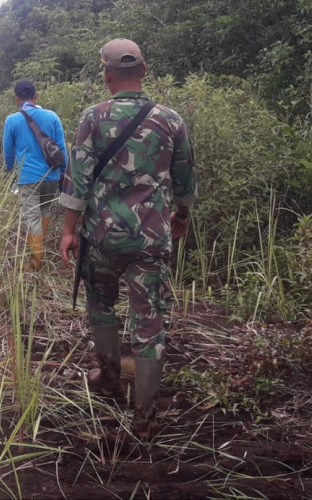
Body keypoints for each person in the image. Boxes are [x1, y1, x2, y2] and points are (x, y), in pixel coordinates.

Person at [59, 39, 197, 439]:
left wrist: (69, 230)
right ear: (145, 70)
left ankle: (108, 378)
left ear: (106, 74)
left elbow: (78, 180)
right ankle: (146, 417)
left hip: (101, 238)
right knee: (149, 321)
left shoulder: (93, 117)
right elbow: (186, 181)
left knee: (100, 305)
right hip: (152, 239)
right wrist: (181, 215)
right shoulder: (171, 120)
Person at [3, 80, 69, 271]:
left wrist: (8, 172)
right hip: (51, 176)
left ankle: (36, 262)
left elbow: (8, 151)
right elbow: (61, 148)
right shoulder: (52, 117)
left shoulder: (12, 120)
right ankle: (39, 253)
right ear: (36, 96)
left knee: (31, 217)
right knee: (45, 211)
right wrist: (63, 171)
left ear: (17, 99)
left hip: (28, 178)